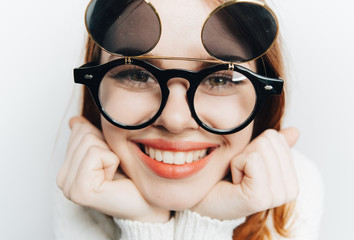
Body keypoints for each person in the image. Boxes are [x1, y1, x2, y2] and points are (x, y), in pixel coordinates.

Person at [55, 0, 323, 239]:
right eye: (137, 75)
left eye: (220, 79)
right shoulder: (82, 189)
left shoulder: (296, 195)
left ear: (264, 96)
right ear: (94, 84)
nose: (175, 119)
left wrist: (209, 225)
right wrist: (145, 225)